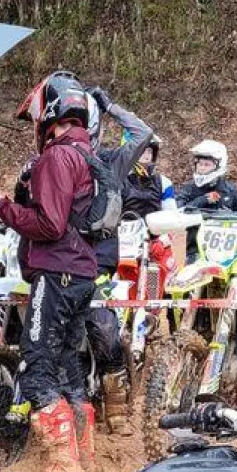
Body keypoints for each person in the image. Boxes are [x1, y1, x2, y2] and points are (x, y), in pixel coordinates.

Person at [0, 72, 100, 472]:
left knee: (37, 366)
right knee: (67, 367)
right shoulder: (89, 154)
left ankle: (64, 465)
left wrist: (1, 206)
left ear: (48, 114)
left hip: (56, 271)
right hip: (81, 273)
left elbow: (49, 225)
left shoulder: (57, 157)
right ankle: (86, 458)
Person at [84, 86, 155, 436]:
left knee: (102, 326)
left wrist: (110, 106)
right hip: (56, 263)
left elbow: (143, 134)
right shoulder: (47, 163)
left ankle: (116, 404)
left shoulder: (111, 163)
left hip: (97, 263)